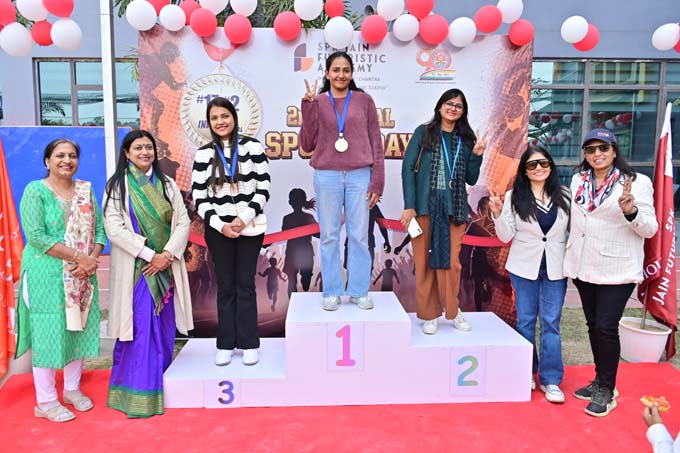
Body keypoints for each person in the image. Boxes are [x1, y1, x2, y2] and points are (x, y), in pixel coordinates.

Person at [564, 128, 658, 417]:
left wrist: (631, 211)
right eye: (591, 149)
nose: (597, 154)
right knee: (593, 325)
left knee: (606, 326)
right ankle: (599, 379)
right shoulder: (579, 179)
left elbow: (650, 229)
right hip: (583, 265)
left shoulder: (635, 182)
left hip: (617, 267)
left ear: (614, 151)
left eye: (603, 148)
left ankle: (607, 388)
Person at [103, 129, 193, 418]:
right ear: (127, 153)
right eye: (138, 148)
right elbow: (113, 228)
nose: (144, 152)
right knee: (140, 327)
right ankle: (137, 393)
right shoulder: (117, 186)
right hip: (138, 268)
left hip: (166, 266)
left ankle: (162, 384)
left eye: (148, 147)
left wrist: (167, 254)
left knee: (163, 327)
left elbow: (183, 222)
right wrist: (148, 254)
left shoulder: (167, 184)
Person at [15, 138, 106, 422]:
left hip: (81, 274)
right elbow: (37, 237)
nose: (67, 160)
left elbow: (100, 232)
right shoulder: (36, 190)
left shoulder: (85, 191)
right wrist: (81, 258)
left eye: (72, 156)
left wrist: (90, 260)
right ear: (47, 161)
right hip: (45, 273)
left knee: (77, 328)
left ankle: (71, 389)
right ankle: (45, 401)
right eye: (60, 155)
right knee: (47, 332)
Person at [299, 51, 385, 312]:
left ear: (351, 73)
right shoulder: (318, 101)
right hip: (327, 175)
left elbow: (376, 141)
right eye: (335, 70)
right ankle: (332, 291)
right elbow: (307, 144)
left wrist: (377, 182)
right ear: (327, 73)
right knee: (329, 235)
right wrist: (308, 107)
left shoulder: (364, 100)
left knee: (359, 235)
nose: (341, 74)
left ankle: (358, 291)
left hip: (360, 174)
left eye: (346, 70)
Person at [192, 96, 271, 366]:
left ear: (234, 118)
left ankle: (249, 343)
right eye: (214, 118)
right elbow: (199, 197)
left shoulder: (252, 147)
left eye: (224, 116)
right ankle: (225, 344)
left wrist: (244, 218)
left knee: (245, 285)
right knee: (225, 286)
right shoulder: (203, 153)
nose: (220, 122)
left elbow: (263, 187)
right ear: (209, 122)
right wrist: (221, 225)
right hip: (218, 230)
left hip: (251, 227)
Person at [400, 88, 485, 335]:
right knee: (424, 263)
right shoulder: (424, 132)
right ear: (440, 106)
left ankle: (453, 310)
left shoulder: (465, 138)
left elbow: (470, 178)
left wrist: (476, 156)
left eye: (458, 106)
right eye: (449, 103)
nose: (453, 108)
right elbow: (408, 169)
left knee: (451, 264)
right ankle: (429, 314)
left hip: (454, 209)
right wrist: (409, 205)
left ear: (463, 111)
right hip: (424, 208)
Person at [489, 146, 571, 404]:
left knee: (551, 322)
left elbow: (574, 231)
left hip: (556, 267)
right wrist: (497, 212)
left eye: (543, 163)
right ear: (524, 170)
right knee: (525, 321)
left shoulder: (565, 195)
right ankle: (525, 371)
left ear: (551, 166)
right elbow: (505, 235)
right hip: (524, 267)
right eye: (532, 165)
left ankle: (551, 379)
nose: (538, 169)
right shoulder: (514, 196)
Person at [281, 188, 317, 298]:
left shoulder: (306, 217)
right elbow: (283, 235)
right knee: (293, 281)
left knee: (303, 282)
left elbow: (317, 233)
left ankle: (299, 301)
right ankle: (294, 303)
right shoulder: (289, 219)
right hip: (296, 253)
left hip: (302, 253)